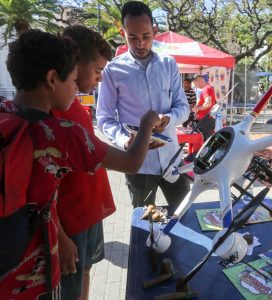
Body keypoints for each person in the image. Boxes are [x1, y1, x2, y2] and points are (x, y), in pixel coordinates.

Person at [0, 29, 160, 299]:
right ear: (52, 79)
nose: (76, 88)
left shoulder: (5, 112)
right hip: (36, 266)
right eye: (73, 80)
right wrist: (146, 124)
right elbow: (132, 163)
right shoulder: (61, 132)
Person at [97, 1, 190, 210]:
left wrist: (169, 119)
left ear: (154, 31)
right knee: (144, 224)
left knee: (185, 213)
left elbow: (183, 107)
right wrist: (123, 141)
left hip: (172, 158)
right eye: (133, 37)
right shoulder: (113, 70)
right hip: (138, 162)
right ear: (123, 33)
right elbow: (104, 118)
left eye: (146, 36)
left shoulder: (169, 64)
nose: (140, 44)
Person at [51, 25, 114, 300]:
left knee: (86, 271)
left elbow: (91, 155)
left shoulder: (76, 106)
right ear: (76, 64)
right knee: (69, 288)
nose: (100, 78)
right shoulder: (53, 112)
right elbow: (43, 187)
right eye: (98, 70)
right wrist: (61, 237)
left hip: (88, 213)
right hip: (69, 221)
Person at [192, 74, 216, 141]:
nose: (195, 86)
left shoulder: (206, 89)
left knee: (205, 142)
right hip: (206, 120)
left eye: (195, 83)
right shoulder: (208, 88)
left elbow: (207, 104)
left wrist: (196, 108)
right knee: (205, 141)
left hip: (205, 120)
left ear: (199, 80)